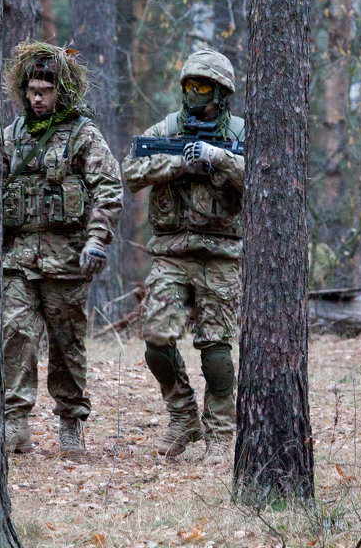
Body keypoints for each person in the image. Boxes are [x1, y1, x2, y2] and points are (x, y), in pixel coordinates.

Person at [122, 48, 245, 459]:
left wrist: (219, 159)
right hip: (171, 254)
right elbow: (131, 170)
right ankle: (182, 416)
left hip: (222, 255)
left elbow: (267, 177)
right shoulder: (169, 129)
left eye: (203, 87)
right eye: (189, 86)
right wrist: (178, 163)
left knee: (215, 350)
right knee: (156, 339)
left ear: (221, 93)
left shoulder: (240, 135)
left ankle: (221, 434)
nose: (194, 94)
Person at [1, 41, 123, 458]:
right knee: (15, 335)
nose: (37, 98)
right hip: (18, 259)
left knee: (66, 343)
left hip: (67, 260)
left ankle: (70, 424)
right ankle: (13, 425)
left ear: (62, 92)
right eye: (32, 90)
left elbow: (109, 189)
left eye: (45, 91)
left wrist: (96, 241)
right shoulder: (11, 138)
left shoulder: (83, 135)